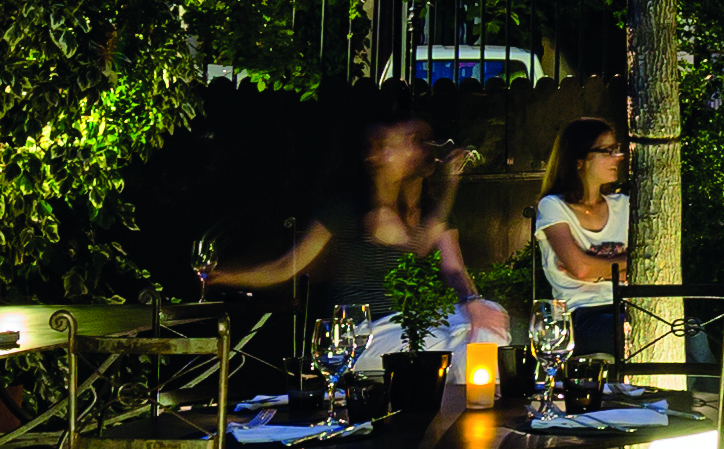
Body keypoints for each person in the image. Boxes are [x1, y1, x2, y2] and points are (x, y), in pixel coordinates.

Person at [201, 92, 506, 347]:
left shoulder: (431, 212)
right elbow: (286, 266)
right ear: (376, 156)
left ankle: (461, 405)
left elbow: (454, 270)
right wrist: (228, 276)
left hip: (411, 324)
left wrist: (474, 302)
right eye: (407, 141)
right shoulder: (352, 211)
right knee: (438, 345)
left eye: (420, 141)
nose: (418, 149)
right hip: (366, 329)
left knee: (490, 321)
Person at [531, 118, 631, 365]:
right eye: (607, 151)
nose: (617, 157)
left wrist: (595, 269)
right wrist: (621, 268)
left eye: (616, 149)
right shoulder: (554, 207)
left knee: (690, 329)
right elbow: (580, 267)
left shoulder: (624, 205)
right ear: (579, 160)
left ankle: (701, 399)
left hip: (629, 307)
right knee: (633, 331)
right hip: (582, 316)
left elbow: (643, 264)